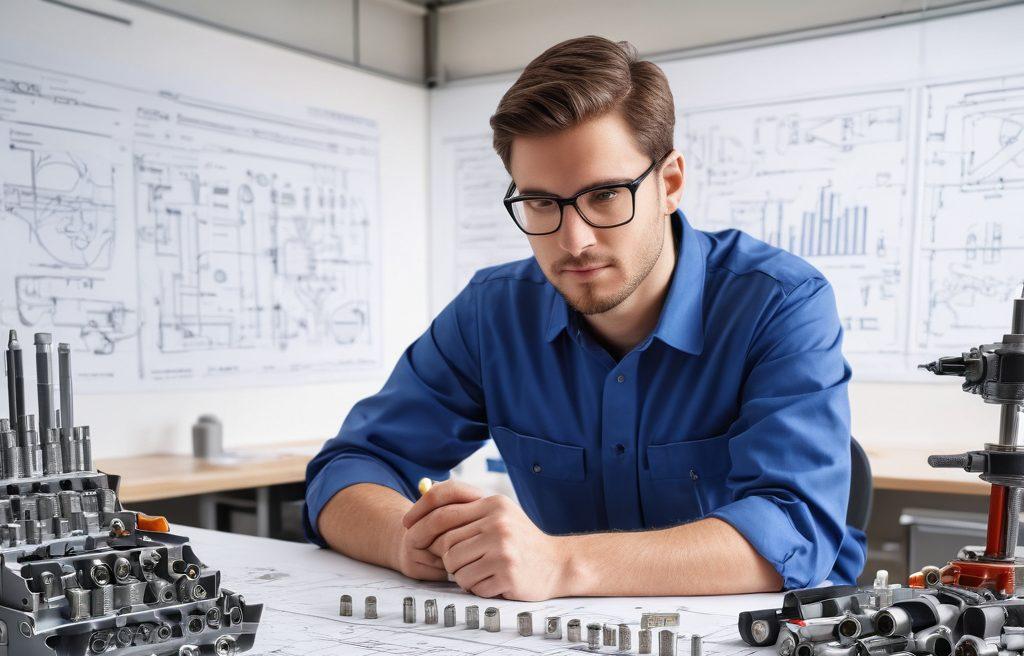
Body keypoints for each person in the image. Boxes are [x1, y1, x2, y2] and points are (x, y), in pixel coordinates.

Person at [304, 35, 865, 601]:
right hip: (570, 643)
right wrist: (409, 543)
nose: (574, 241)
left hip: (764, 641)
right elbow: (351, 468)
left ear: (668, 183)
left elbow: (794, 531)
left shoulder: (780, 301)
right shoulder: (492, 311)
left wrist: (561, 564)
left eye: (604, 195)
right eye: (542, 202)